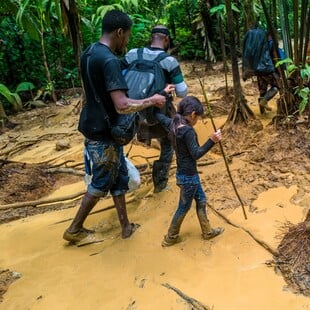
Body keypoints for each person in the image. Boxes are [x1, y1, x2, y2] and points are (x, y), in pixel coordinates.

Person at [63, 10, 166, 243]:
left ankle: (126, 226)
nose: (127, 42)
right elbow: (122, 105)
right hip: (103, 133)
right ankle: (74, 229)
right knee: (100, 182)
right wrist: (153, 100)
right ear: (119, 32)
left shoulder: (89, 52)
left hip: (97, 125)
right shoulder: (109, 60)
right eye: (127, 36)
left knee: (118, 177)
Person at [122, 25, 188, 193]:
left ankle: (119, 183)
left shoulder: (132, 54)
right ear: (166, 40)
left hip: (130, 110)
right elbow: (182, 92)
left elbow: (120, 78)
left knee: (119, 144)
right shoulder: (169, 61)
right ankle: (160, 183)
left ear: (151, 37)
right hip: (157, 112)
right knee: (168, 142)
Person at [155, 96, 224, 247]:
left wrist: (161, 96)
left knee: (202, 200)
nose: (197, 121)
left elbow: (160, 117)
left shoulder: (173, 123)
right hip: (189, 178)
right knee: (184, 207)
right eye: (198, 117)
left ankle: (207, 231)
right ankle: (170, 237)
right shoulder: (187, 131)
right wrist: (212, 140)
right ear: (193, 114)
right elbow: (196, 153)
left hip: (184, 174)